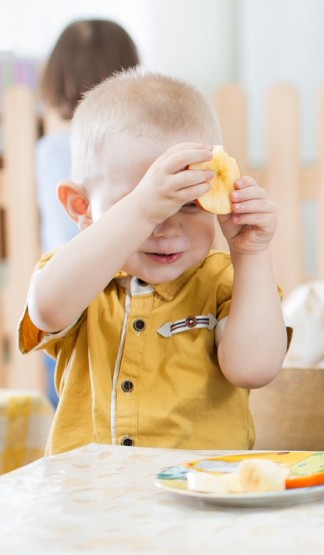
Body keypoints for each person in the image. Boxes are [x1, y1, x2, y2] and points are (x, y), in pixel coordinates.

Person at [18, 69, 288, 454]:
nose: (166, 227)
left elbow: (254, 369)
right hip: (89, 502)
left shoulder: (228, 281)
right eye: (140, 203)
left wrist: (251, 254)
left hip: (201, 498)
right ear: (82, 207)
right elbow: (46, 310)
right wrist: (140, 210)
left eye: (191, 204)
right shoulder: (78, 276)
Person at [35, 18, 140, 407]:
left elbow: (66, 235)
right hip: (103, 286)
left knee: (69, 394)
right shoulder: (128, 146)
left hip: (70, 284)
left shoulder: (52, 148)